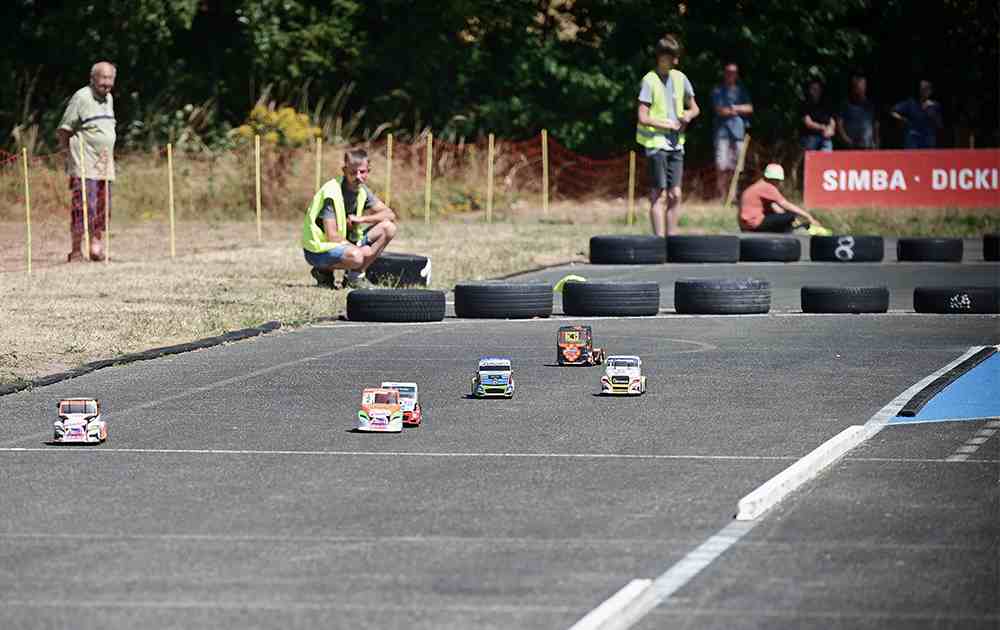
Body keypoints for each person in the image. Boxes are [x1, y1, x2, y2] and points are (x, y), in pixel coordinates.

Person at [301, 148, 398, 289]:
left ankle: (355, 277)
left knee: (389, 228)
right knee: (357, 256)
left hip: (344, 245)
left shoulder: (362, 190)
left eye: (362, 172)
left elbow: (390, 214)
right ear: (344, 170)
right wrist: (361, 251)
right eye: (353, 172)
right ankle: (322, 271)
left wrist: (361, 219)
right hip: (318, 250)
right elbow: (332, 236)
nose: (358, 176)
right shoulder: (332, 192)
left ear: (368, 170)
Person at [635, 33, 699, 236]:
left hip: (676, 145)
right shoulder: (649, 80)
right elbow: (642, 117)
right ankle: (659, 242)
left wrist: (688, 115)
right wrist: (666, 124)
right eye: (672, 57)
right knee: (659, 195)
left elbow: (695, 108)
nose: (676, 61)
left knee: (676, 195)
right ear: (661, 57)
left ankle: (672, 241)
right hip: (656, 144)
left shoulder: (681, 78)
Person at [57, 61, 117, 262]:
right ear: (93, 79)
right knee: (82, 207)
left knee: (102, 208)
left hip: (104, 166)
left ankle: (95, 248)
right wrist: (68, 154)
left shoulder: (108, 98)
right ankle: (75, 250)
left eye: (111, 79)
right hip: (84, 165)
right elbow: (64, 129)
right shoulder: (81, 97)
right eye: (104, 78)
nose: (107, 83)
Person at [739, 163, 829, 234]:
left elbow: (776, 208)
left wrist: (792, 220)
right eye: (777, 180)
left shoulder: (759, 185)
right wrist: (808, 217)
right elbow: (785, 204)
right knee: (790, 215)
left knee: (783, 216)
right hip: (754, 223)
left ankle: (787, 230)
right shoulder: (767, 187)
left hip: (746, 224)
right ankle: (791, 232)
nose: (778, 183)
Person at [711, 63, 753, 199]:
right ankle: (721, 195)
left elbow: (750, 108)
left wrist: (734, 108)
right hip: (722, 133)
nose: (731, 74)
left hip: (738, 134)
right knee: (722, 166)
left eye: (733, 72)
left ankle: (733, 196)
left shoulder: (742, 91)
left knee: (736, 168)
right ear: (724, 73)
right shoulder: (718, 90)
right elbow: (720, 110)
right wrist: (737, 110)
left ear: (737, 74)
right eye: (728, 72)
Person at [891, 80, 943, 149]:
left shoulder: (935, 105)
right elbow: (893, 111)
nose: (923, 91)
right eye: (922, 89)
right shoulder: (911, 103)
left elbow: (940, 124)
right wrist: (903, 119)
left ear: (930, 91)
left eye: (926, 89)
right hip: (913, 140)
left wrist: (933, 114)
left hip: (928, 140)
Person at [836, 73, 879, 149]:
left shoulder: (870, 104)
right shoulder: (845, 104)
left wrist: (876, 141)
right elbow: (839, 124)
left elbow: (875, 124)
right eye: (858, 85)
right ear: (854, 87)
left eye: (863, 84)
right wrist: (847, 141)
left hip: (867, 146)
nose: (861, 87)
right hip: (850, 146)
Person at [800, 79, 835, 152]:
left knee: (827, 154)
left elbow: (832, 120)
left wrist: (831, 129)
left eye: (817, 89)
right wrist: (823, 128)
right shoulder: (805, 104)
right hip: (810, 137)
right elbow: (808, 123)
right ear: (809, 90)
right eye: (813, 89)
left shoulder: (826, 103)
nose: (815, 91)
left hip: (825, 137)